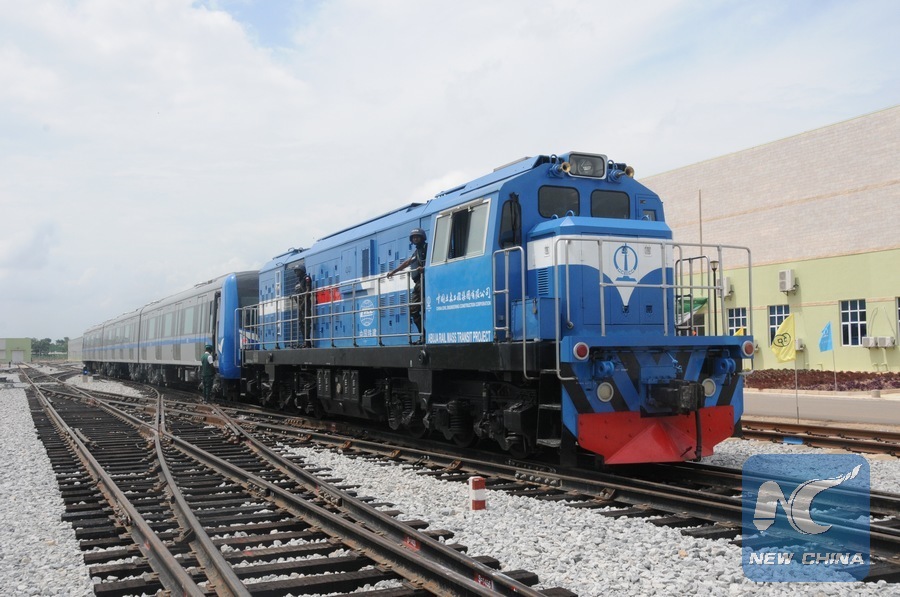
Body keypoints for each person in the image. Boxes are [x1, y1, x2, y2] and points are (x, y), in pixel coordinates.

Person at [387, 228, 427, 339]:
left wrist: (424, 268)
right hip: (418, 284)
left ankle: (428, 336)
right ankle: (423, 335)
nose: (415, 239)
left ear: (422, 238)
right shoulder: (416, 252)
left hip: (425, 281)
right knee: (413, 310)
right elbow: (407, 262)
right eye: (414, 238)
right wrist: (394, 271)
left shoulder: (427, 248)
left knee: (426, 308)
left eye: (417, 237)